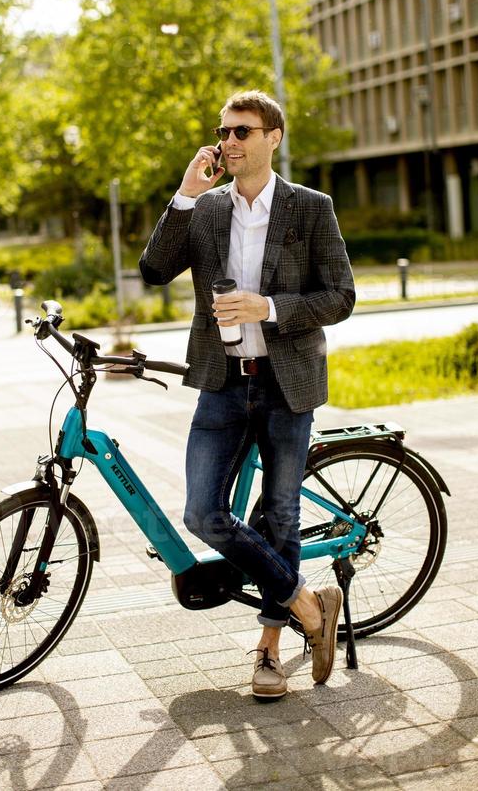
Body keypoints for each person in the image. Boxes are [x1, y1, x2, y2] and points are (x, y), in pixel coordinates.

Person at [139, 90, 355, 698]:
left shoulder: (310, 208)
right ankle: (309, 606)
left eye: (242, 131)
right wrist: (183, 193)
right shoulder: (205, 210)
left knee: (280, 513)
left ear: (273, 137)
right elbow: (154, 269)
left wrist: (269, 307)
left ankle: (268, 650)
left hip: (289, 384)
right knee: (202, 513)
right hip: (223, 382)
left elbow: (341, 296)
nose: (229, 142)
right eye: (223, 132)